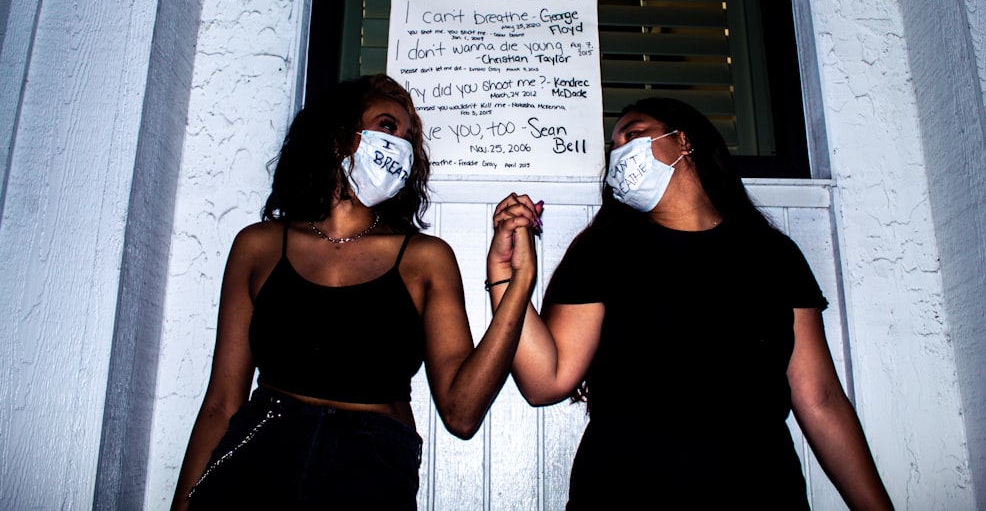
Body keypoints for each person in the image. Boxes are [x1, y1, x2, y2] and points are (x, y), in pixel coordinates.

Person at [488, 97, 894, 510]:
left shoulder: (774, 255)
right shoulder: (602, 251)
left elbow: (821, 397)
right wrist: (508, 275)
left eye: (633, 134)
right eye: (614, 147)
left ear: (683, 140)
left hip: (763, 491)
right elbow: (545, 381)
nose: (620, 153)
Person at [172, 74, 539, 510]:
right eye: (388, 126)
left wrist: (519, 283)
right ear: (339, 134)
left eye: (408, 139)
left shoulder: (424, 258)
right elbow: (221, 402)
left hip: (371, 469)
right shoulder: (259, 245)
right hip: (259, 454)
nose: (400, 145)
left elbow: (462, 412)